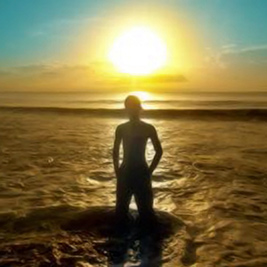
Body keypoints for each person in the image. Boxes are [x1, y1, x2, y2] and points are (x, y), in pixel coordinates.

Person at [112, 95, 163, 226]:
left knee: (140, 211)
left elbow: (159, 151)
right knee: (129, 211)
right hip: (136, 171)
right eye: (129, 108)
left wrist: (118, 170)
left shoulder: (125, 128)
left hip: (133, 171)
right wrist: (117, 171)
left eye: (132, 107)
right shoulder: (143, 128)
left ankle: (127, 239)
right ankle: (139, 239)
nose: (131, 110)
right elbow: (115, 151)